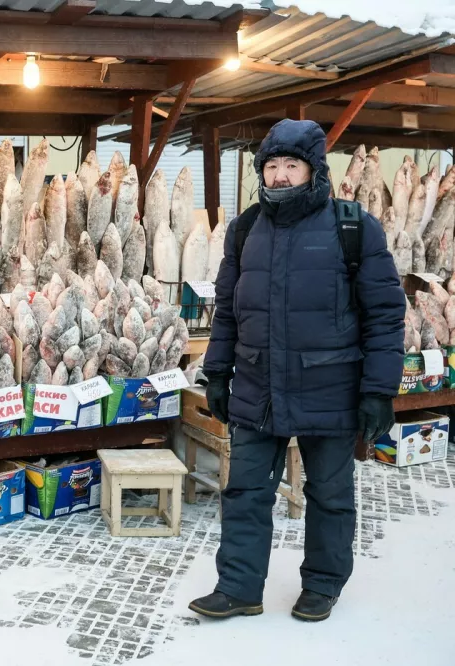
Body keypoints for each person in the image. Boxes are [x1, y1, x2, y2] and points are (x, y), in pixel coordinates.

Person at [190, 119, 405, 622]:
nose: (280, 176)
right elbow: (227, 309)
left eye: (291, 165)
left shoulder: (352, 227)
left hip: (330, 387)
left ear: (313, 170)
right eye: (272, 166)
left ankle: (322, 586)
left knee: (329, 495)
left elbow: (385, 313)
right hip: (258, 387)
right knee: (244, 490)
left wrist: (379, 390)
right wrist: (217, 373)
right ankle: (239, 588)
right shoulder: (245, 230)